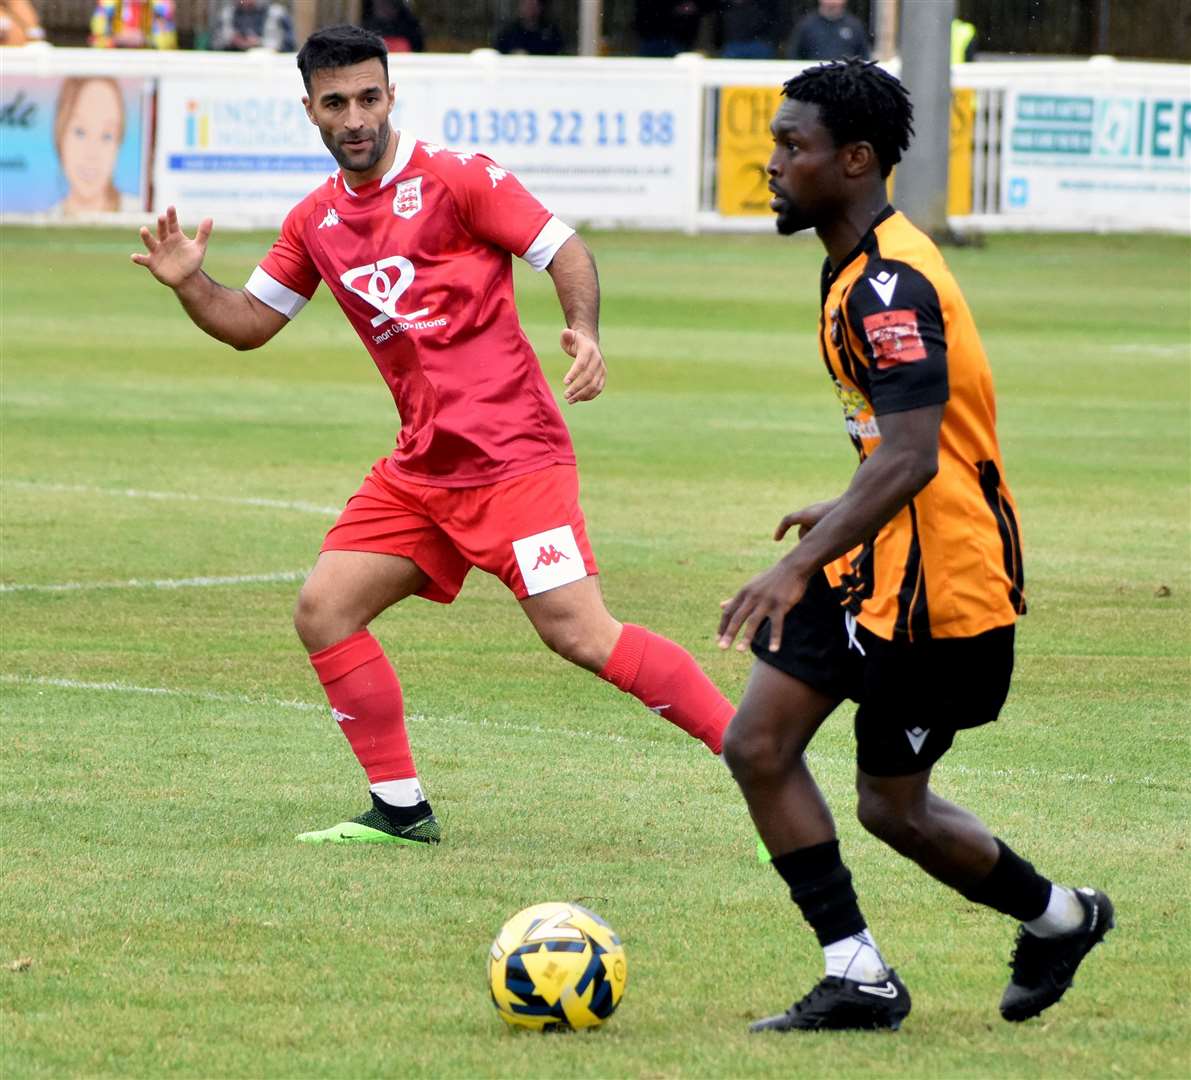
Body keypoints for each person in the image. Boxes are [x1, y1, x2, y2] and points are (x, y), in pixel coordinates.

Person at [131, 25, 734, 847]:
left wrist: (584, 333)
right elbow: (248, 323)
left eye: (369, 98)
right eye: (336, 102)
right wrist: (190, 282)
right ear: (308, 109)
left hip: (515, 458)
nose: (356, 118)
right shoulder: (313, 221)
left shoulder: (455, 177)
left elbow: (561, 249)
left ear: (391, 96)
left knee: (580, 635)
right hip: (423, 470)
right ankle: (401, 810)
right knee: (325, 609)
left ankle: (753, 755)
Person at [717, 59, 1113, 1032]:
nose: (771, 163)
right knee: (759, 745)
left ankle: (1062, 917)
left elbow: (913, 459)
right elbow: (891, 453)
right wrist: (843, 507)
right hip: (873, 562)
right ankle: (858, 975)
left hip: (947, 595)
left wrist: (797, 562)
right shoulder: (855, 261)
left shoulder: (886, 285)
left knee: (893, 809)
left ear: (854, 160)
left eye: (791, 145)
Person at [52, 76, 138, 216]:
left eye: (106, 136)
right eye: (80, 132)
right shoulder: (48, 219)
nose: (92, 154)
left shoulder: (138, 216)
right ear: (60, 134)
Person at [786, 0, 869, 61]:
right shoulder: (806, 24)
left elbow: (864, 55)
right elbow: (793, 54)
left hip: (845, 79)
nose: (832, 2)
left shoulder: (855, 25)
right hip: (815, 79)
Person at [210, 0, 294, 52]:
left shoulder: (277, 14)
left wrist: (260, 43)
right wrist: (231, 41)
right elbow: (212, 46)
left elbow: (289, 46)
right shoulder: (226, 15)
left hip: (267, 71)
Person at [717, 0, 784, 60]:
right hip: (733, 45)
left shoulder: (763, 5)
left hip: (760, 43)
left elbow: (775, 23)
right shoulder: (725, 7)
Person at [494, 0, 564, 56]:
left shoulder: (550, 32)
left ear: (540, 7)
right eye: (527, 4)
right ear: (520, 6)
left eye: (534, 5)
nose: (530, 9)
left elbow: (558, 55)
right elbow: (498, 55)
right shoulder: (508, 33)